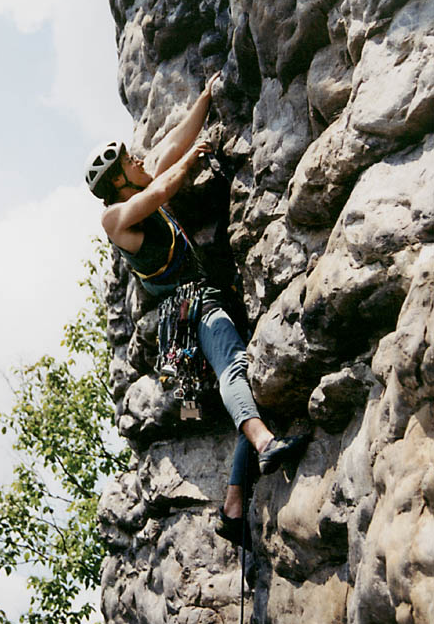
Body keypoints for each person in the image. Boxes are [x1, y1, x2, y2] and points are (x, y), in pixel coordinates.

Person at [84, 73, 308, 549]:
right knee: (236, 368)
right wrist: (191, 157)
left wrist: (205, 98)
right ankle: (265, 445)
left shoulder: (141, 182)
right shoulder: (115, 217)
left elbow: (170, 146)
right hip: (192, 308)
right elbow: (163, 188)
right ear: (119, 181)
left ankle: (232, 506)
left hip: (205, 298)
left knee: (249, 382)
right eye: (130, 160)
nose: (141, 158)